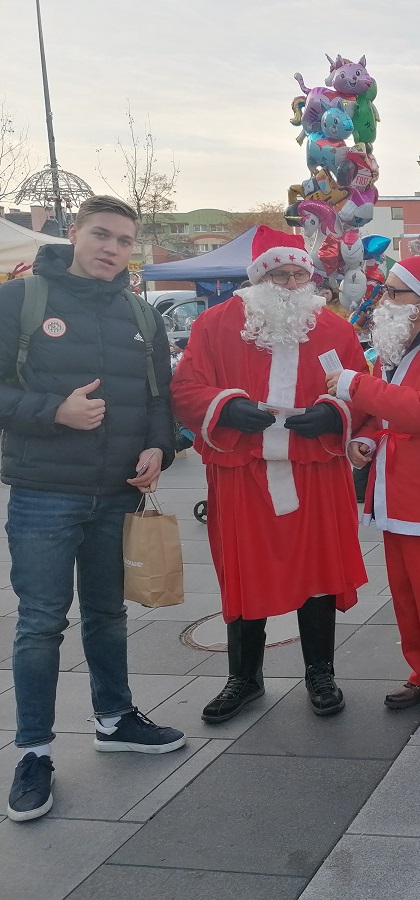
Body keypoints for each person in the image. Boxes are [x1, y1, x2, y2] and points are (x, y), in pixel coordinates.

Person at [1, 195, 186, 823]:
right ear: (73, 233)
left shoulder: (142, 314)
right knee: (41, 623)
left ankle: (115, 717)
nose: (112, 248)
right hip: (44, 493)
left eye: (124, 240)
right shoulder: (20, 301)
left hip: (116, 494)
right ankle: (34, 750)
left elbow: (159, 396)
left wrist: (161, 447)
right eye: (101, 235)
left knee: (107, 614)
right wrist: (53, 411)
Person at [172, 226, 368, 722]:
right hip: (244, 473)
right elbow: (186, 387)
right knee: (244, 570)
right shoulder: (216, 325)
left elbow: (363, 389)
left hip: (315, 471)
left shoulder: (336, 330)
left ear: (310, 278)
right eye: (278, 273)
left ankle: (320, 672)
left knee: (319, 572)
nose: (288, 281)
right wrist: (227, 407)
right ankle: (244, 677)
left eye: (298, 273)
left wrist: (335, 413)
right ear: (258, 278)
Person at [328, 255, 420, 725]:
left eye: (395, 292)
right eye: (387, 291)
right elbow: (389, 414)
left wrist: (354, 385)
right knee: (408, 593)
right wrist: (366, 438)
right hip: (400, 489)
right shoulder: (405, 346)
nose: (384, 301)